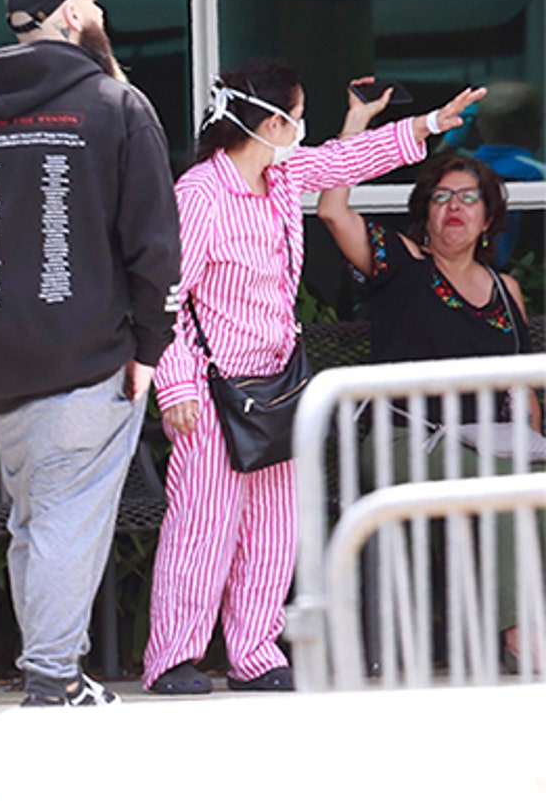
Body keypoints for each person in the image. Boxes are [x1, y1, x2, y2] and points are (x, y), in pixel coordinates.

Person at [143, 61, 483, 696]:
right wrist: (179, 387)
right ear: (269, 123)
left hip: (278, 382)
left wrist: (430, 124)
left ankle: (255, 652)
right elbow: (166, 299)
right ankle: (175, 657)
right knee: (203, 527)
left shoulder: (279, 178)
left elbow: (339, 164)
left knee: (274, 528)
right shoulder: (200, 196)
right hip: (215, 390)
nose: (301, 129)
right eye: (296, 118)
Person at [0, 0, 181, 708]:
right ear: (71, 14)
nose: (99, 7)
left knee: (35, 515)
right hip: (86, 354)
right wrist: (150, 349)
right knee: (68, 511)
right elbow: (154, 244)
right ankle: (52, 675)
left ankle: (51, 662)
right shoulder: (115, 105)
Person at [318, 126, 541, 671]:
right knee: (499, 484)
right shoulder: (402, 264)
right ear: (425, 213)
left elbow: (522, 388)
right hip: (404, 440)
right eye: (441, 198)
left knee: (522, 483)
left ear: (489, 219)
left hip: (492, 440)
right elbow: (330, 210)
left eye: (469, 198)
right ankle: (520, 639)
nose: (454, 208)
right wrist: (354, 128)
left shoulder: (505, 289)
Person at [467, 81, 545, 266]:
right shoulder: (537, 176)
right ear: (536, 123)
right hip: (526, 282)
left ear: (479, 124)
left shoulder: (458, 171)